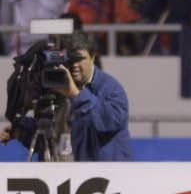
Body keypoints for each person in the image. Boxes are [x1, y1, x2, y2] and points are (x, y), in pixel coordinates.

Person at [1, 31, 132, 161]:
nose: (75, 64)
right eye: (71, 59)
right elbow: (52, 131)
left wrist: (76, 94)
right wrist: (19, 129)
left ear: (93, 58)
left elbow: (105, 123)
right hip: (72, 174)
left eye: (80, 59)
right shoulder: (61, 87)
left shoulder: (111, 89)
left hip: (108, 176)